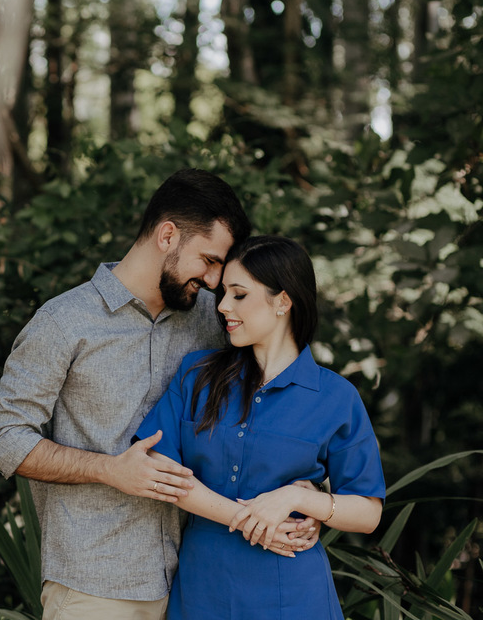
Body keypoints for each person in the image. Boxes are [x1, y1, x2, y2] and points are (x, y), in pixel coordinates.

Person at [0, 169, 316, 620]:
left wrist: (305, 492)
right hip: (94, 586)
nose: (216, 281)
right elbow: (2, 439)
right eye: (209, 260)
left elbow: (273, 397)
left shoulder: (214, 318)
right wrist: (109, 470)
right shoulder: (64, 322)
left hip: (194, 583)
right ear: (167, 235)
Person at [135, 235, 385, 619]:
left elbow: (368, 512)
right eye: (224, 294)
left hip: (294, 592)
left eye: (239, 295)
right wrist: (250, 518)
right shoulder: (197, 374)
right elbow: (159, 468)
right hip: (204, 587)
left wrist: (295, 499)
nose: (221, 306)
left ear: (282, 302)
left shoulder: (336, 397)